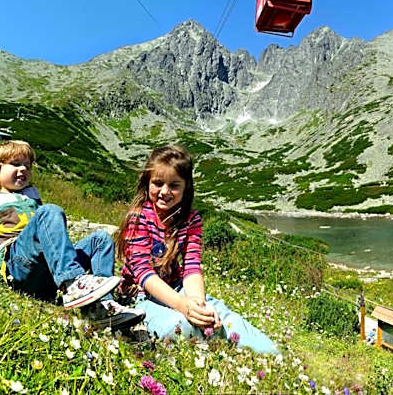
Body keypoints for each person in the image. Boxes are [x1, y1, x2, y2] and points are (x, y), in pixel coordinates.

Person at [116, 145, 279, 354]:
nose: (164, 192)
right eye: (157, 183)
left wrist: (197, 304)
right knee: (179, 325)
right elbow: (143, 274)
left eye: (174, 185)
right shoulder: (138, 218)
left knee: (224, 321)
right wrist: (183, 306)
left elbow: (192, 268)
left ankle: (270, 352)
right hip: (139, 295)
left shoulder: (192, 220)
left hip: (177, 288)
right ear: (147, 183)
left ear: (186, 188)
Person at [0, 140, 142, 330]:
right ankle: (72, 283)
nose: (23, 170)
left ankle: (102, 305)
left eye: (27, 166)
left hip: (46, 271)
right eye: (15, 164)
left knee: (101, 240)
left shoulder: (31, 194)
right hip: (18, 264)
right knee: (50, 211)